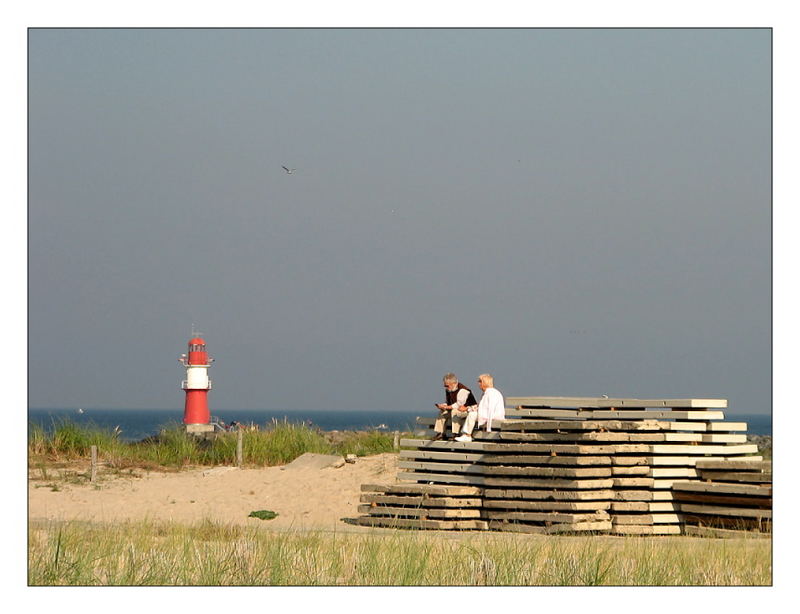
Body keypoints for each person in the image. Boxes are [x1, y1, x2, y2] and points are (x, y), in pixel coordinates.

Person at [456, 373, 505, 442]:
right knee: (465, 415)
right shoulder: (487, 392)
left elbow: (487, 409)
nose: (478, 383)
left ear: (484, 383)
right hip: (489, 413)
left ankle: (467, 435)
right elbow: (481, 406)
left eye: (480, 381)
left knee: (472, 415)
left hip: (493, 415)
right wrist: (468, 409)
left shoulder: (491, 393)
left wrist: (468, 409)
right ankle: (464, 434)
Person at [433, 373, 478, 441]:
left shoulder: (463, 390)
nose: (445, 387)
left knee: (455, 411)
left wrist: (447, 407)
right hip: (457, 409)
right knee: (442, 412)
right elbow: (448, 402)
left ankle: (455, 433)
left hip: (468, 410)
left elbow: (458, 405)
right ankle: (440, 433)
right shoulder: (449, 390)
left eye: (447, 385)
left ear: (453, 383)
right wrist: (443, 406)